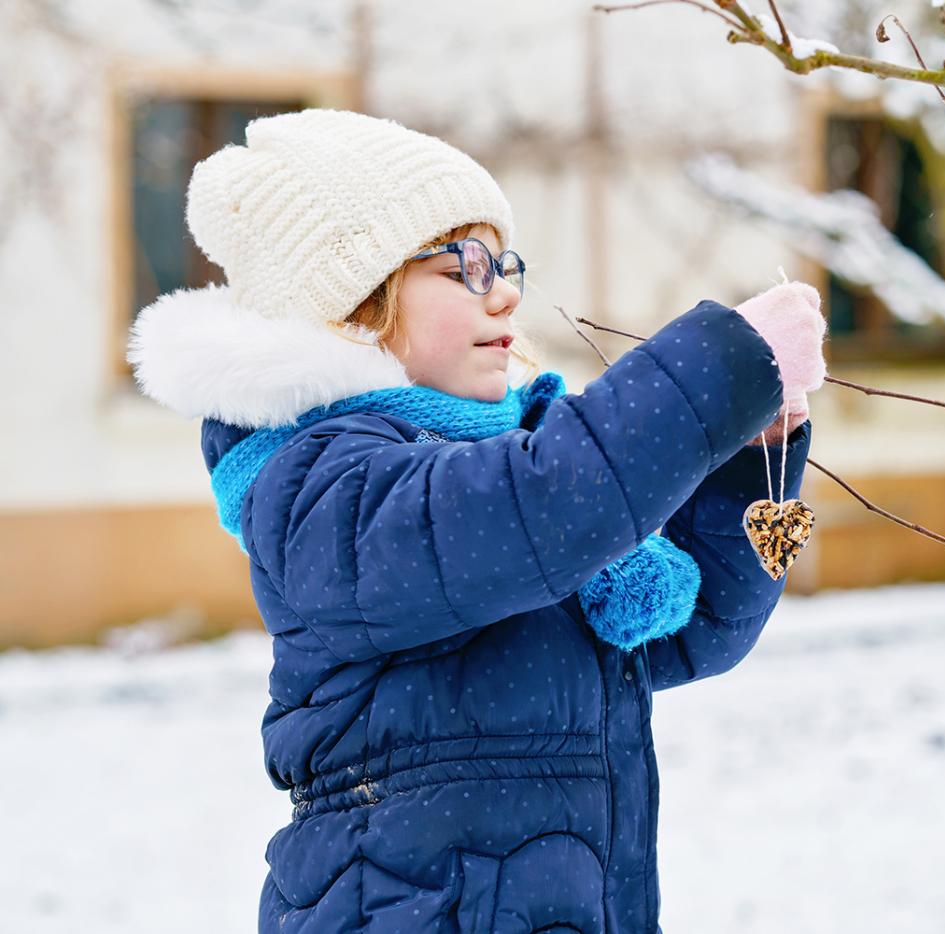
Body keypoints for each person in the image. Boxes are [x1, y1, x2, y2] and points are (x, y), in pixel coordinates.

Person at [127, 108, 827, 933]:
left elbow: (701, 623)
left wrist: (757, 450)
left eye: (505, 263)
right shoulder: (321, 486)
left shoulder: (518, 485)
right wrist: (722, 364)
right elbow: (541, 506)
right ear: (356, 303)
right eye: (465, 264)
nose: (506, 289)